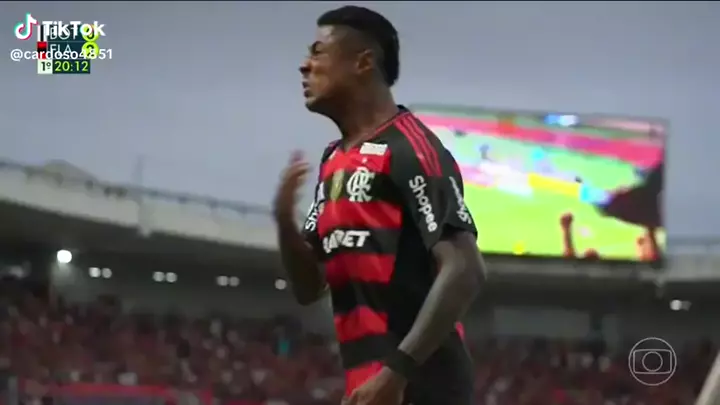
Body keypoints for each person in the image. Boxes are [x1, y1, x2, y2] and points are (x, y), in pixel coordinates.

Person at [272, 6, 486, 405]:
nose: (304, 65)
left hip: (422, 385)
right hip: (370, 384)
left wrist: (397, 372)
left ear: (363, 62)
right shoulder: (335, 159)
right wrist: (284, 222)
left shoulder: (410, 149)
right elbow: (308, 287)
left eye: (318, 52)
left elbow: (465, 269)